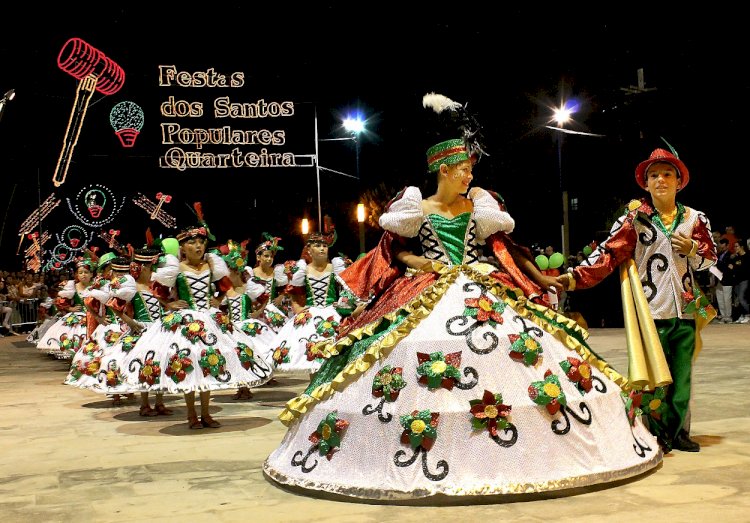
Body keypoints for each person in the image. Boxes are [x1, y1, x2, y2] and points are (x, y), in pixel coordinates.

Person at [262, 93, 662, 502]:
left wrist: (542, 276)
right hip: (428, 284)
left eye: (471, 169)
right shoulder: (416, 205)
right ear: (444, 169)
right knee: (409, 345)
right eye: (464, 170)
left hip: (480, 281)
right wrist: (418, 260)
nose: (470, 176)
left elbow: (507, 249)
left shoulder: (480, 205)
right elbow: (394, 248)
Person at [558, 147, 717, 453]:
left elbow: (709, 261)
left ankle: (676, 432)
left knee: (682, 379)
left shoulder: (696, 219)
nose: (661, 180)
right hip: (650, 310)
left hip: (685, 309)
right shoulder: (634, 219)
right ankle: (649, 432)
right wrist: (575, 277)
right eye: (654, 175)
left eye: (667, 174)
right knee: (652, 377)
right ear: (645, 184)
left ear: (679, 181)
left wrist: (694, 250)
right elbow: (607, 254)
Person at [120, 210, 272, 429]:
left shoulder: (212, 266)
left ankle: (206, 414)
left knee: (209, 364)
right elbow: (156, 290)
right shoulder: (176, 268)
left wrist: (218, 302)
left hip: (209, 320)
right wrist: (170, 305)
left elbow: (225, 287)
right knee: (189, 365)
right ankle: (191, 415)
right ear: (183, 248)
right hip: (186, 322)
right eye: (193, 243)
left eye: (201, 242)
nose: (198, 246)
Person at [729, 238, 749, 323]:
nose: (735, 248)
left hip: (744, 280)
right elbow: (732, 269)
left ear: (742, 247)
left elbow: (745, 270)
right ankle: (742, 315)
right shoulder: (736, 257)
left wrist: (734, 268)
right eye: (734, 246)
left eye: (737, 246)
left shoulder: (747, 256)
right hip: (737, 281)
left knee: (741, 299)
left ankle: (748, 315)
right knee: (738, 300)